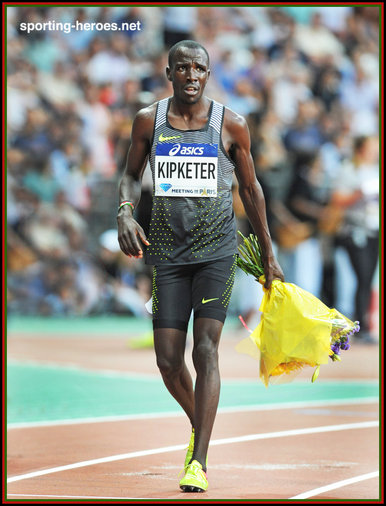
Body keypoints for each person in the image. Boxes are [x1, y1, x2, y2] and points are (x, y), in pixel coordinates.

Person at [117, 40, 284, 493]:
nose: (192, 75)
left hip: (216, 252)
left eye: (200, 68)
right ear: (168, 72)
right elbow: (130, 174)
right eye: (183, 68)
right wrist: (126, 211)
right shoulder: (147, 121)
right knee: (168, 363)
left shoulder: (230, 124)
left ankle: (199, 460)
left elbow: (252, 191)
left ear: (208, 74)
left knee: (204, 350)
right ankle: (201, 422)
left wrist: (269, 254)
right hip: (168, 254)